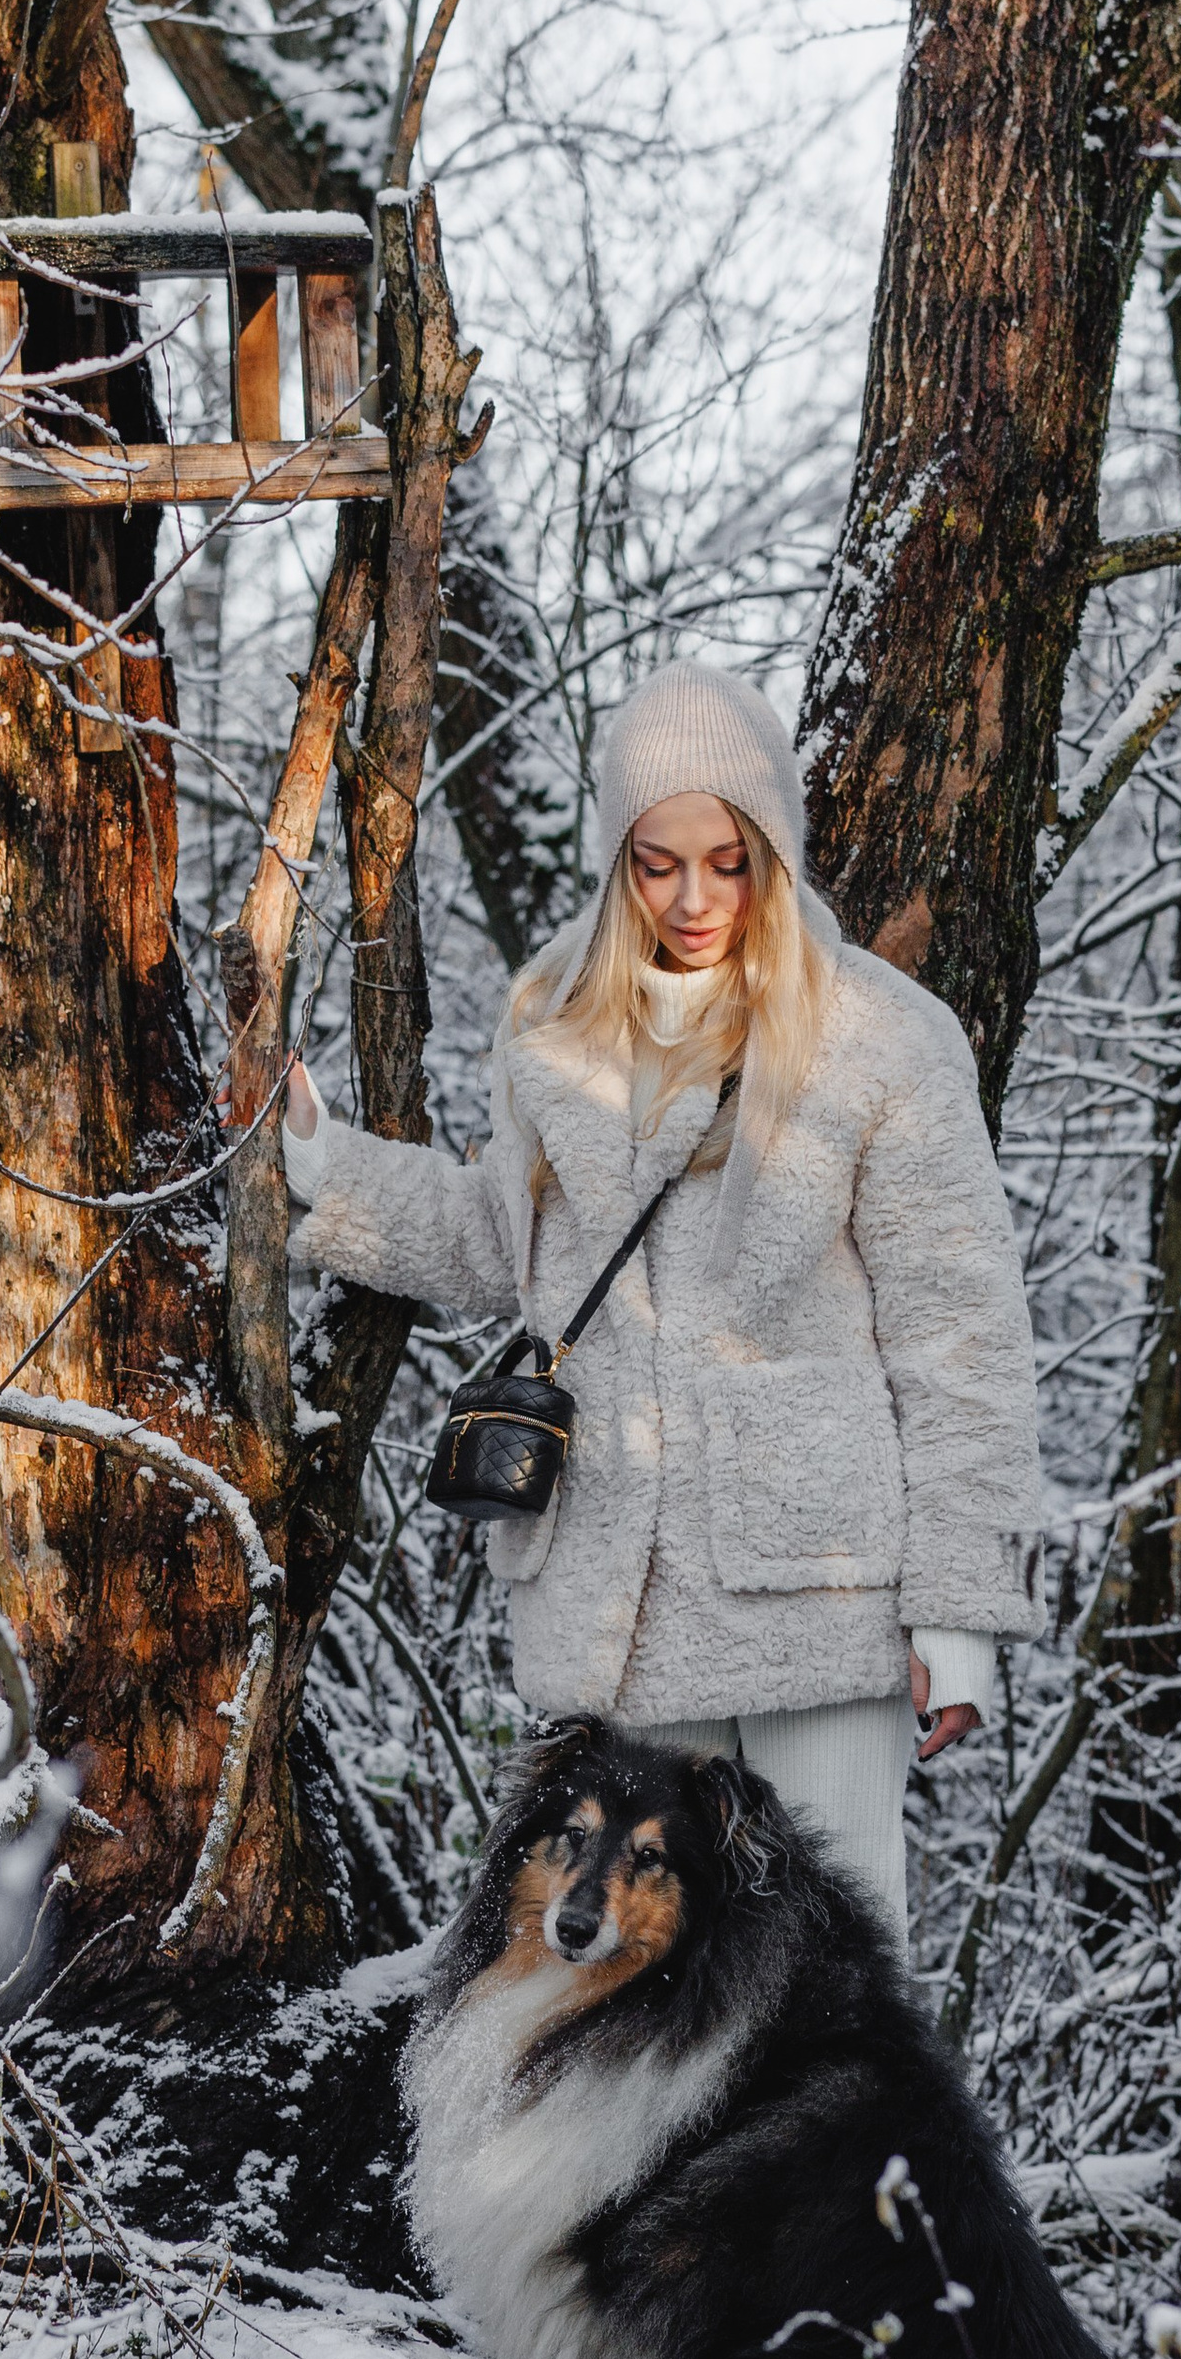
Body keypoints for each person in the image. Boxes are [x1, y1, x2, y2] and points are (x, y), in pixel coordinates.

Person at [282, 659, 1045, 1946]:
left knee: (826, 1975)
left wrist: (960, 1612)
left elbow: (958, 1334)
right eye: (657, 861)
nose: (694, 898)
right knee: (637, 1988)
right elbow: (507, 1247)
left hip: (818, 1585)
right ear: (616, 859)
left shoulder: (880, 1038)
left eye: (727, 861)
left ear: (772, 855)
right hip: (616, 1593)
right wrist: (327, 1169)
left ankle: (852, 2165)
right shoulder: (557, 1020)